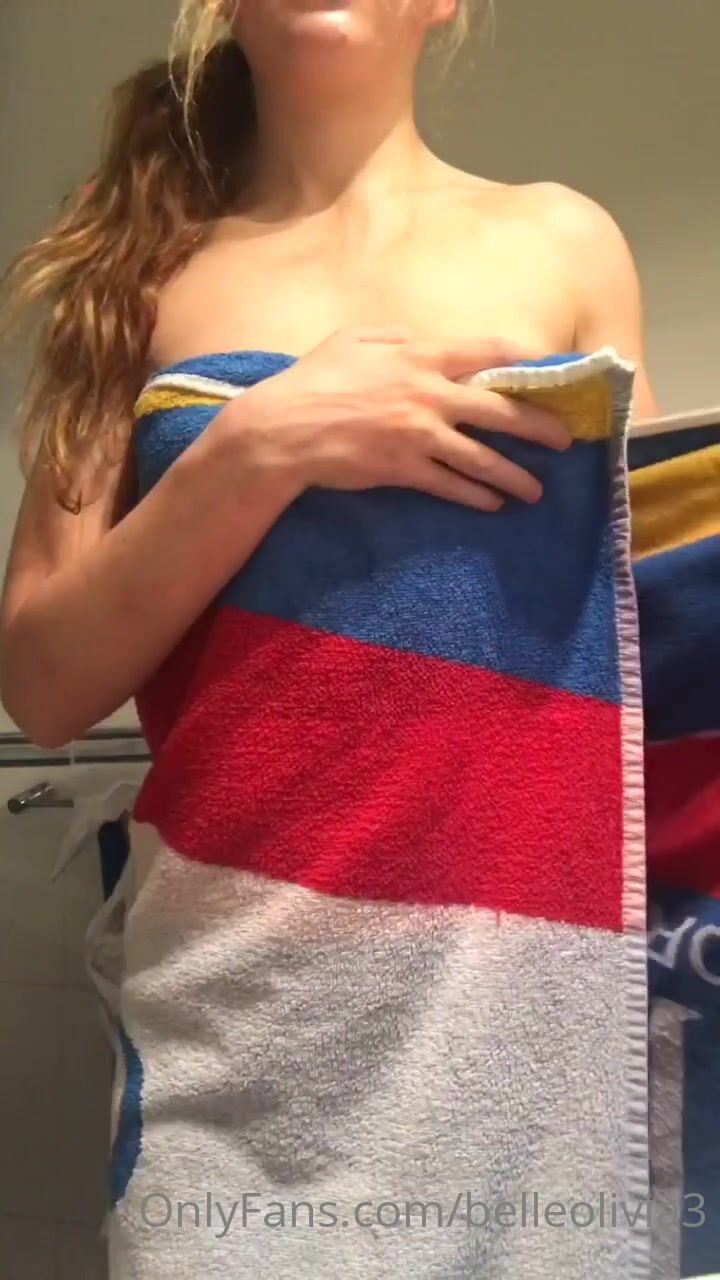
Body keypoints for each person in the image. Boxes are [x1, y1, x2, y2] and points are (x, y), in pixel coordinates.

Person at [0, 2, 659, 1276]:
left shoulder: (566, 241)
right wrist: (253, 446)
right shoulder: (130, 271)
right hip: (234, 1019)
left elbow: (630, 633)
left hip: (522, 1024)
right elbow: (44, 683)